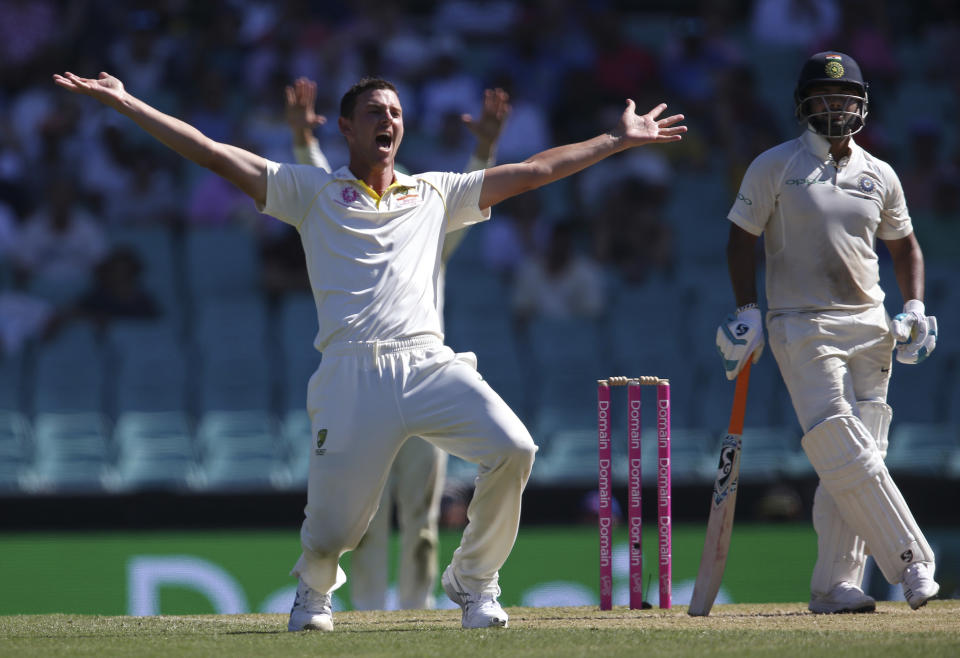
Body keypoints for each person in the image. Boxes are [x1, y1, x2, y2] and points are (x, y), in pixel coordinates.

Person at [53, 68, 685, 632]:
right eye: (376, 113)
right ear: (349, 131)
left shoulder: (434, 192)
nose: (390, 121)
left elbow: (535, 172)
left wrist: (616, 140)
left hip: (428, 363)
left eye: (397, 113)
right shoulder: (311, 192)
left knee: (513, 448)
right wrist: (129, 102)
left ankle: (472, 581)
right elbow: (214, 154)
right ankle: (312, 591)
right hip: (351, 373)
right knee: (334, 532)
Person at [716, 51, 940, 614]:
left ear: (861, 104)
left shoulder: (879, 174)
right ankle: (913, 563)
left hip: (871, 323)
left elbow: (905, 245)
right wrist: (747, 309)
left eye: (845, 99)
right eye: (824, 98)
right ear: (804, 105)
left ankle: (835, 586)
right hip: (800, 322)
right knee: (839, 438)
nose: (835, 107)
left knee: (864, 448)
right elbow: (740, 238)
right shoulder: (774, 165)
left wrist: (913, 305)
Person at [283, 76, 511, 611]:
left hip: (422, 378)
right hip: (362, 383)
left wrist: (485, 148)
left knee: (422, 523)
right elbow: (324, 189)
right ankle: (361, 612)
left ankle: (416, 611)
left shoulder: (425, 211)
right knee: (357, 524)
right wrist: (299, 137)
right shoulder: (347, 207)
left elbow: (479, 188)